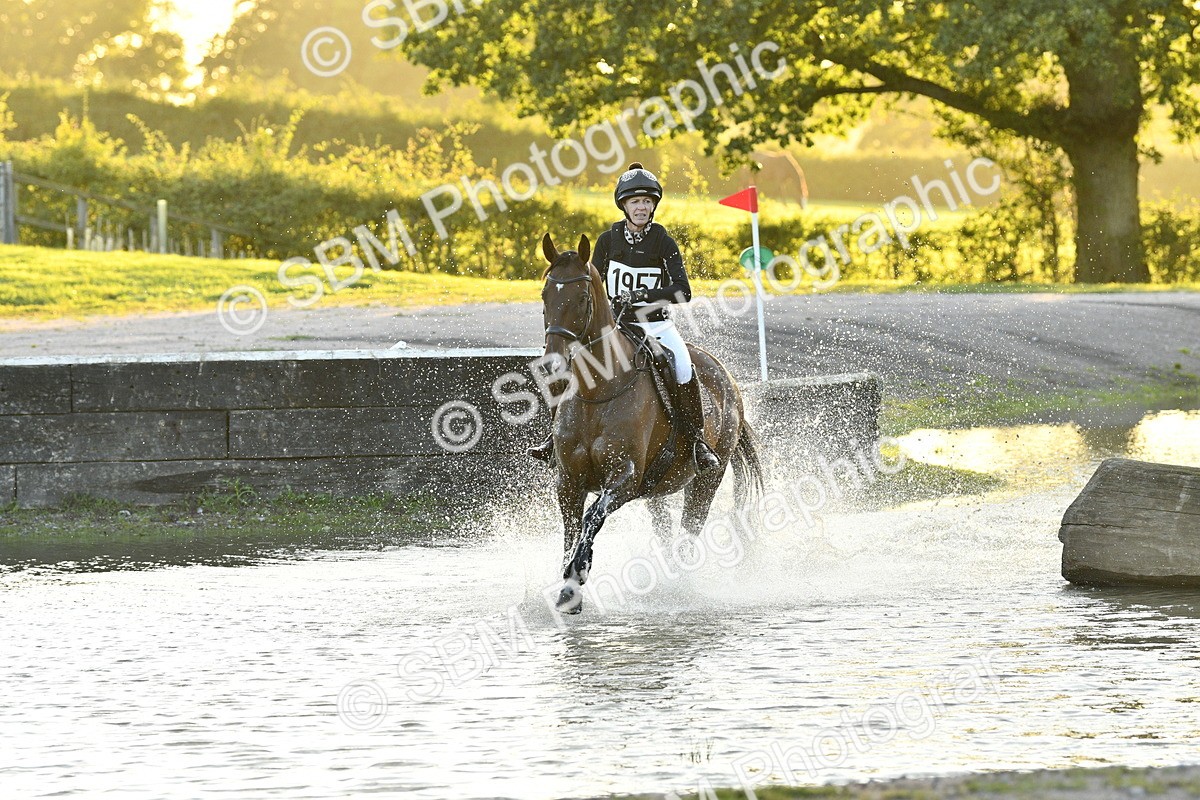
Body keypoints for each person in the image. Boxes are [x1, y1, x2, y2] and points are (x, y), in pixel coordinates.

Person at [528, 162, 721, 473]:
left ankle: (697, 441)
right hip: (614, 327)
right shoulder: (607, 241)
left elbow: (683, 291)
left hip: (656, 325)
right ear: (625, 206)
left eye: (647, 201)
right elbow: (592, 286)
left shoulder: (662, 242)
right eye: (635, 202)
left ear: (653, 205)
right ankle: (555, 438)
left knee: (683, 367)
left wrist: (641, 297)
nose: (641, 207)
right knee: (563, 366)